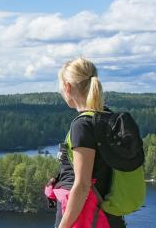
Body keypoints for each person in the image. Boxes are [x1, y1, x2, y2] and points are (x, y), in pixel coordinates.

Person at [51, 57, 126, 228]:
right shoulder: (109, 118)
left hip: (86, 218)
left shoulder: (83, 125)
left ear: (67, 87)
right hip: (109, 217)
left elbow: (83, 185)